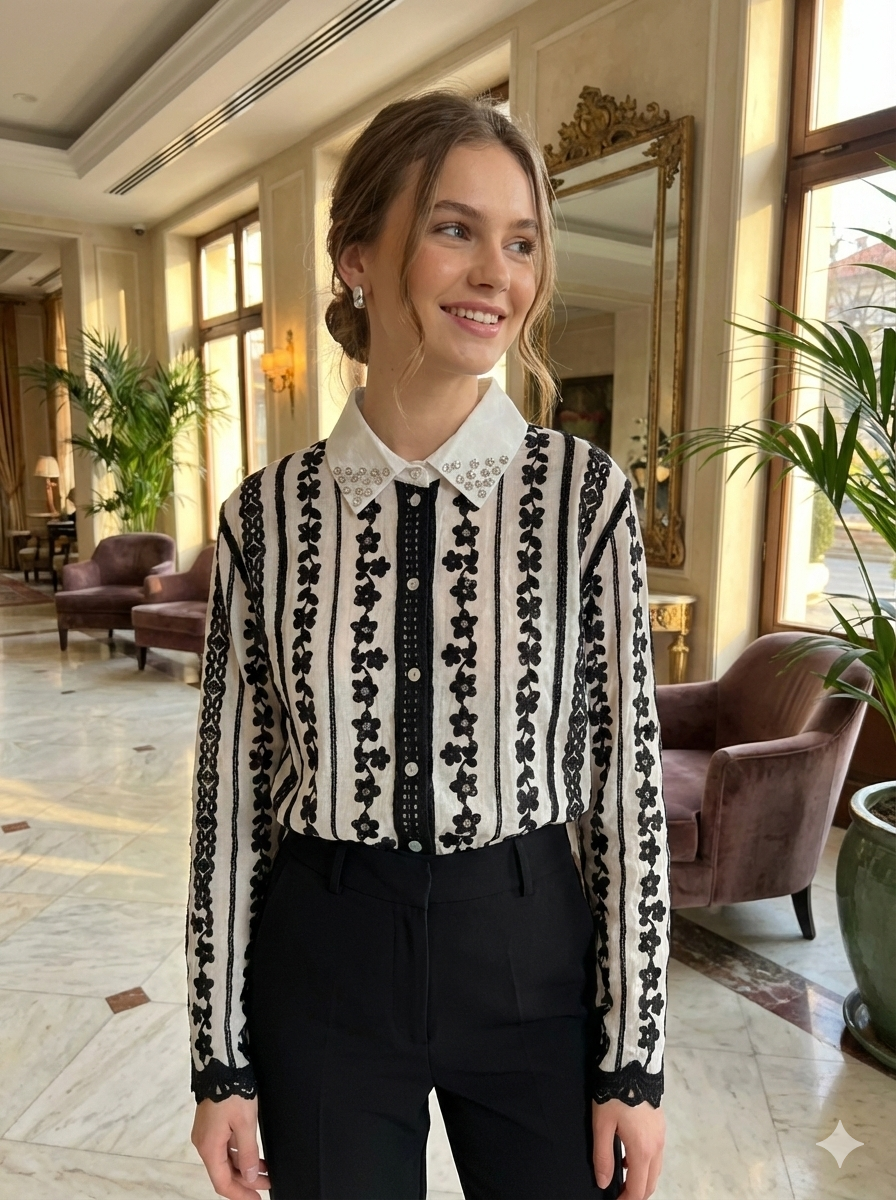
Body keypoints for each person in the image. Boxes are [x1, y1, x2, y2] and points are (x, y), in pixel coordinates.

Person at [187, 90, 670, 1200]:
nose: (496, 274)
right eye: (455, 229)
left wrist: (634, 1059)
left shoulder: (582, 498)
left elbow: (625, 786)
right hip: (325, 965)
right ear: (358, 256)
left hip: (530, 954)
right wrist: (218, 1059)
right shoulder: (265, 518)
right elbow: (231, 801)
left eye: (521, 242)